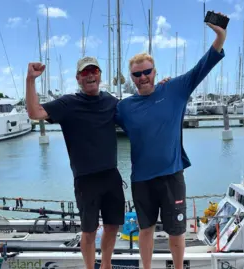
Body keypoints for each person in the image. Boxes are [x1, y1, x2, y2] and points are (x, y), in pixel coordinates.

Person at [115, 16, 227, 269]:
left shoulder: (175, 89)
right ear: (131, 77)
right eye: (137, 74)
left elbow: (203, 65)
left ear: (155, 71)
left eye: (147, 71)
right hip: (141, 179)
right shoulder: (124, 107)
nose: (143, 77)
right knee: (145, 229)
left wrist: (220, 37)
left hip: (171, 176)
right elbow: (95, 120)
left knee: (176, 231)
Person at [25, 57, 125, 269]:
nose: (90, 75)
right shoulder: (68, 104)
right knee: (89, 231)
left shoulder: (111, 102)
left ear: (99, 75)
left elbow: (137, 112)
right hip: (85, 179)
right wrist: (30, 80)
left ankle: (106, 266)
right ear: (78, 78)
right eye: (85, 72)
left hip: (111, 175)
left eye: (94, 71)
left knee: (113, 226)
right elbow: (34, 112)